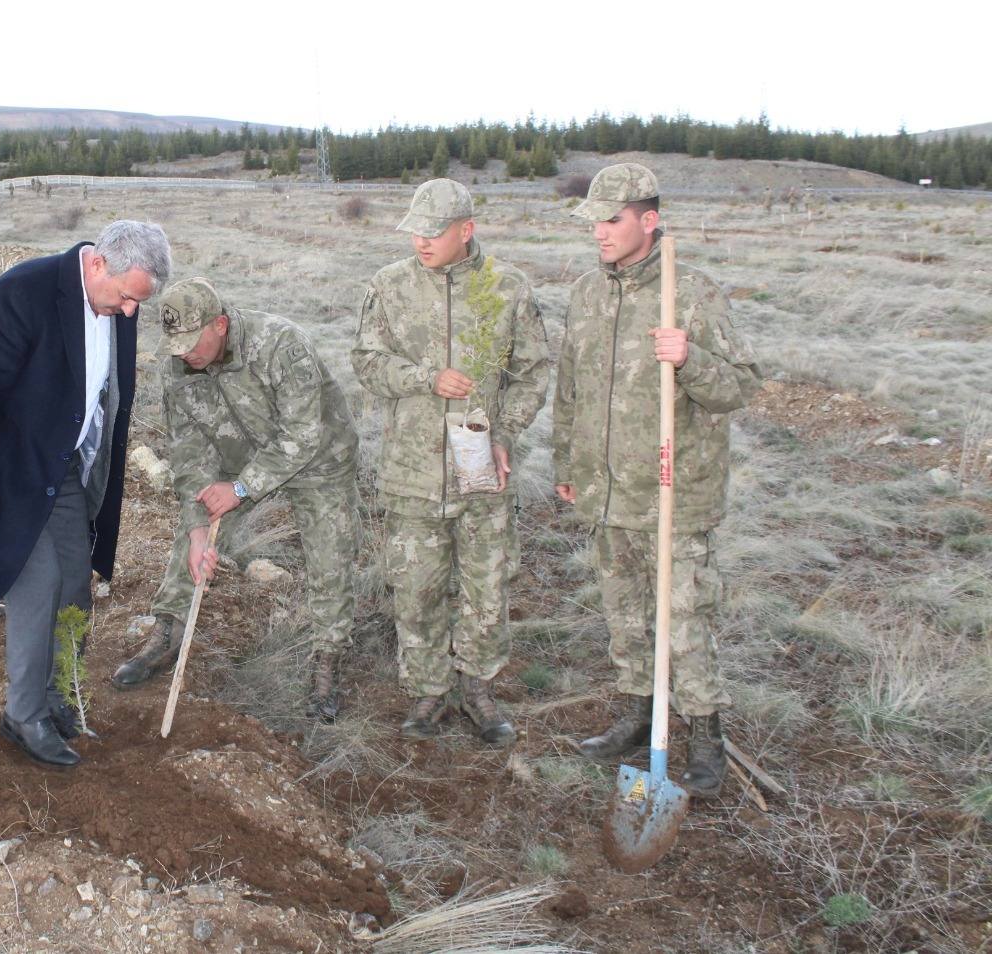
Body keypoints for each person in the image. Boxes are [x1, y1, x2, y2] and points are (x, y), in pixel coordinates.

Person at [0, 220, 171, 768]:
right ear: (98, 263)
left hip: (63, 470)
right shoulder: (21, 295)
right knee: (40, 583)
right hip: (6, 472)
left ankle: (61, 692)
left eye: (139, 302)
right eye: (127, 297)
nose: (131, 311)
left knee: (75, 583)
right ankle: (23, 714)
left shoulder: (117, 304)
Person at [555, 163, 762, 797]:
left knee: (685, 619)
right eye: (592, 221)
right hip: (608, 489)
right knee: (626, 616)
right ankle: (637, 715)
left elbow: (740, 386)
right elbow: (571, 387)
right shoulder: (588, 293)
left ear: (649, 220)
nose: (598, 232)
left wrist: (689, 358)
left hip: (674, 492)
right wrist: (567, 464)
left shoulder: (691, 293)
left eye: (611, 220)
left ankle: (705, 737)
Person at [352, 179, 549, 742]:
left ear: (467, 229)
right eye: (415, 231)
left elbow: (533, 372)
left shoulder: (507, 287)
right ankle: (428, 691)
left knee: (486, 586)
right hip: (412, 471)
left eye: (434, 232)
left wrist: (504, 433)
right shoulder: (388, 286)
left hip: (481, 468)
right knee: (416, 587)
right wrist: (424, 378)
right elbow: (366, 361)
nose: (421, 241)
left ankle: (477, 689)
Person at [111, 278, 360, 722]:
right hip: (237, 457)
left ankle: (329, 656)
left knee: (330, 556)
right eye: (175, 344)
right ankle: (168, 632)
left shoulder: (281, 344)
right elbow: (189, 452)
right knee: (193, 533)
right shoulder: (179, 366)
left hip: (317, 460)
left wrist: (243, 488)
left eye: (192, 342)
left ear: (220, 324)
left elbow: (303, 435)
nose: (184, 354)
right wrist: (197, 528)